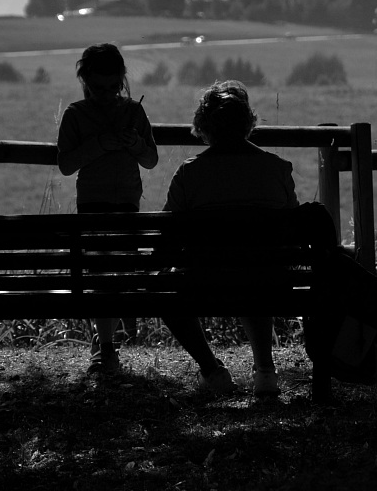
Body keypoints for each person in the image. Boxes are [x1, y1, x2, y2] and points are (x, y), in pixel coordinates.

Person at [161, 80, 298, 398]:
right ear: (249, 123)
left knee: (164, 288)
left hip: (207, 280)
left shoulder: (189, 174)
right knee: (255, 270)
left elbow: (168, 235)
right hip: (269, 279)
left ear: (204, 126)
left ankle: (213, 371)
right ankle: (265, 371)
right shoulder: (276, 169)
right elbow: (292, 227)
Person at [57, 43, 159, 374]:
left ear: (122, 80)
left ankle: (108, 344)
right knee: (101, 275)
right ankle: (106, 346)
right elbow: (66, 164)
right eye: (98, 88)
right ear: (85, 80)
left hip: (124, 202)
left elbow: (151, 159)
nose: (105, 94)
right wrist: (101, 145)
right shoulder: (75, 114)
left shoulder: (134, 112)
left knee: (119, 273)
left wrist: (135, 144)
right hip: (96, 203)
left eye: (112, 87)